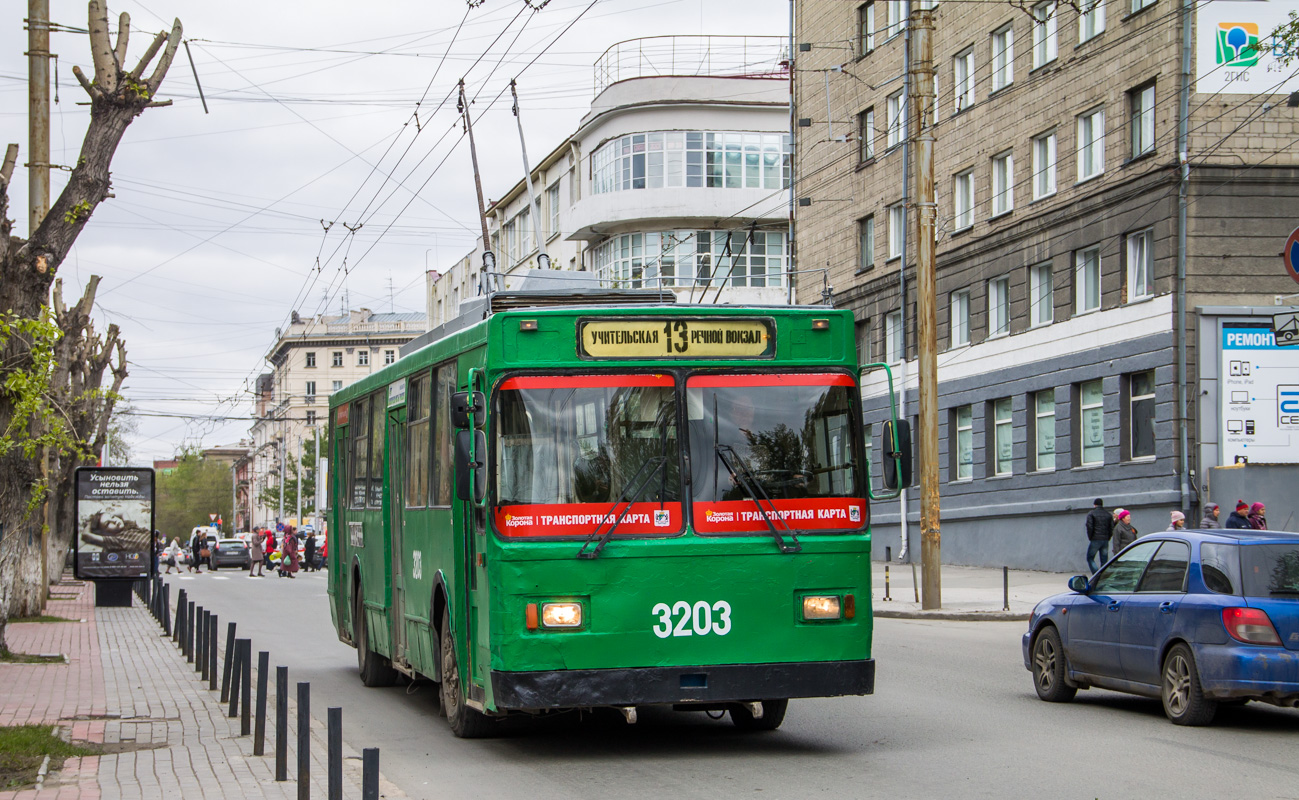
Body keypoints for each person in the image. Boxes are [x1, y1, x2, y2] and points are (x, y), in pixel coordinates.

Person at [1085, 497, 1114, 574]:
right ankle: (1103, 575)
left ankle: (1096, 574)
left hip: (1095, 538)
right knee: (1104, 560)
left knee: (1090, 558)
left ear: (1095, 505)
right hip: (1105, 539)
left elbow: (1089, 526)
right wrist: (1108, 537)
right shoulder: (1108, 514)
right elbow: (1111, 528)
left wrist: (1090, 537)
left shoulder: (1091, 513)